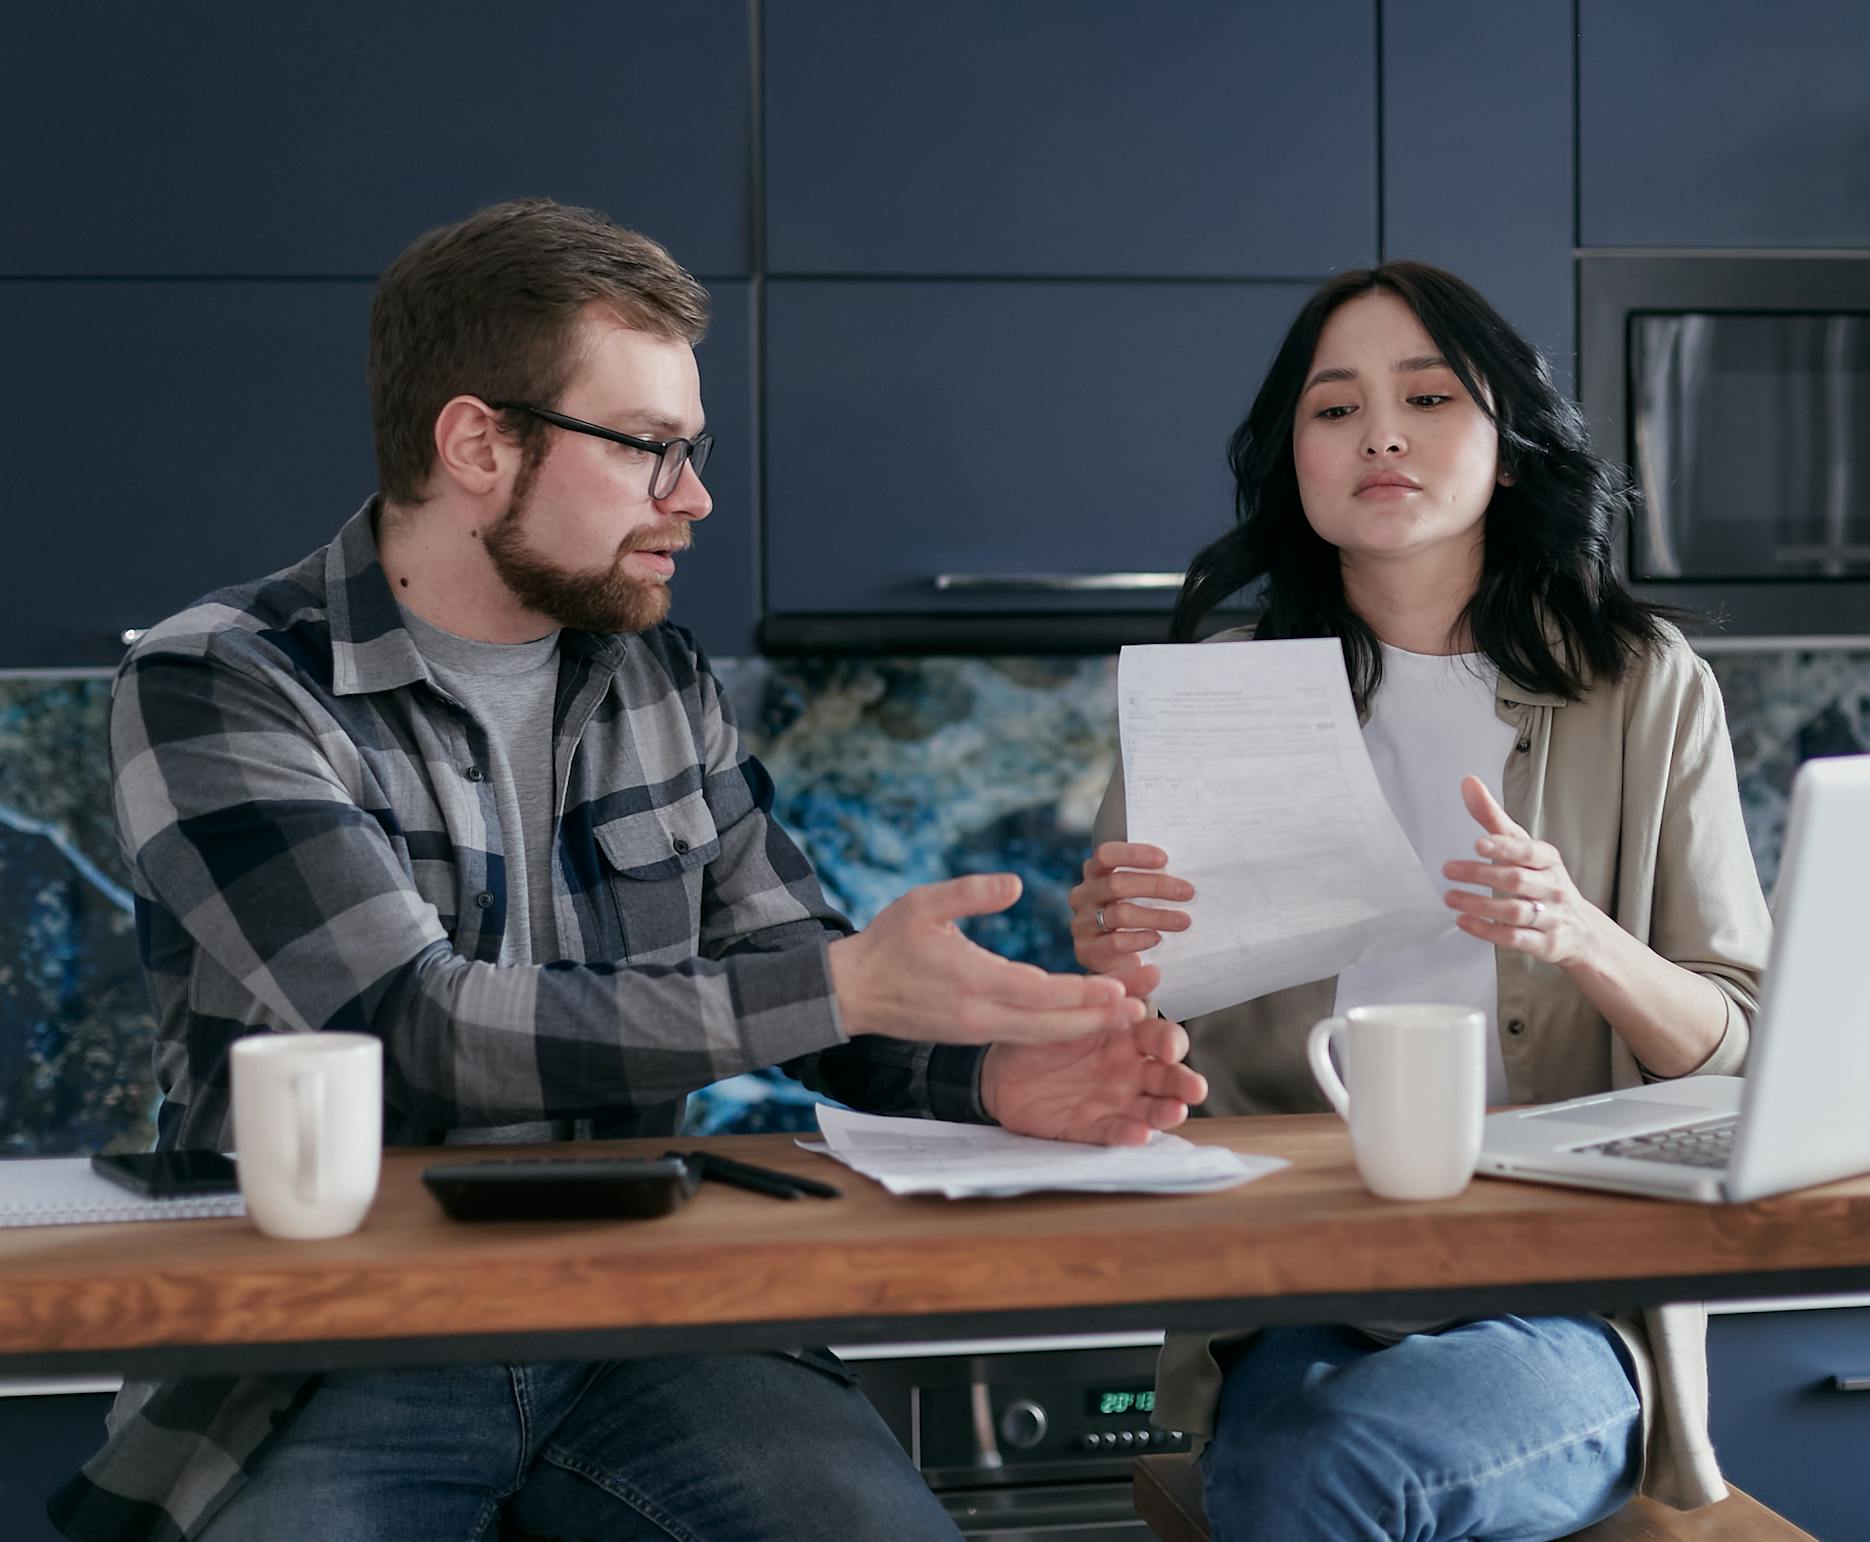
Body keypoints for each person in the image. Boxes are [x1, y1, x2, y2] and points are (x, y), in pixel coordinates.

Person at [51, 198, 1206, 1542]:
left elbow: (806, 977)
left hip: (655, 1316)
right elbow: (404, 1025)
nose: (695, 497)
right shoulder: (222, 681)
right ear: (479, 441)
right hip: (334, 1342)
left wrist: (995, 1078)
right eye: (651, 448)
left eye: (693, 448)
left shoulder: (654, 670)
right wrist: (844, 985)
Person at [1067, 262, 1772, 1541]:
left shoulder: (1641, 686)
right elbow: (1135, 1053)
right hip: (1301, 1284)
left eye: (1430, 396)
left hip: (1565, 1295)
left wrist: (1584, 936)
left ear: (1508, 447)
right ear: (1295, 464)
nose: (1380, 433)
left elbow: (1742, 1045)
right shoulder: (1215, 693)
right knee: (1296, 1468)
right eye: (1333, 410)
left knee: (1331, 1477)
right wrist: (1111, 965)